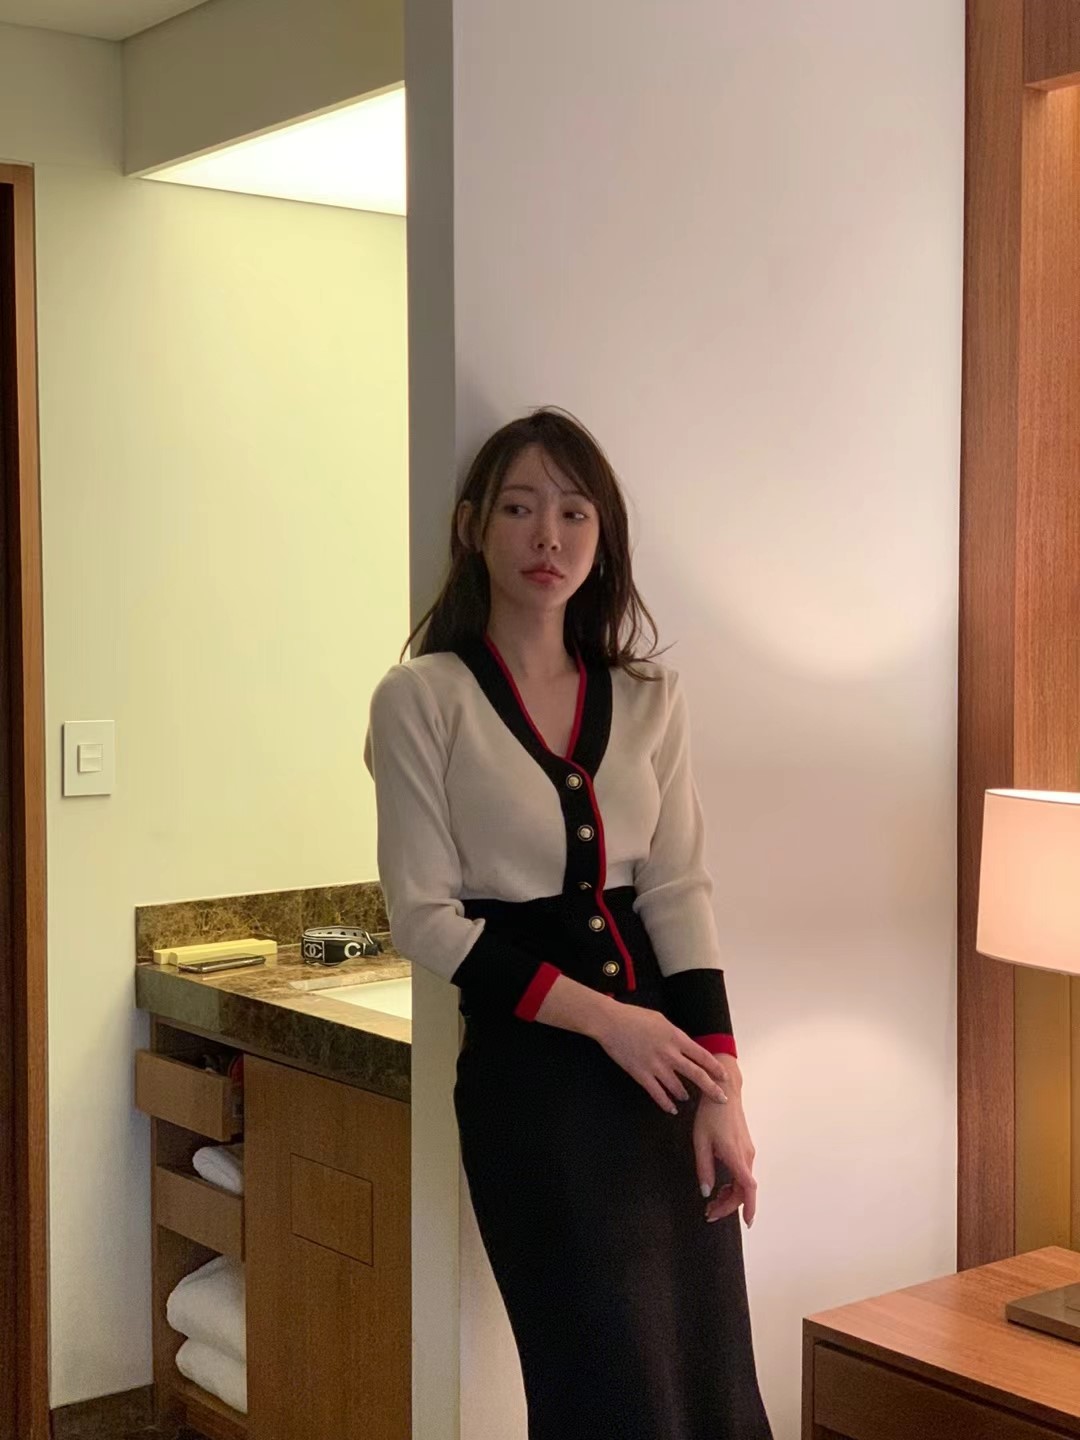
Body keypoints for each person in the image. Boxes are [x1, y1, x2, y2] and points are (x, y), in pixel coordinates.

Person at [364, 408, 772, 1440]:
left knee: (710, 1377)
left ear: (602, 536)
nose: (548, 535)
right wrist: (609, 1022)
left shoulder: (648, 695)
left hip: (667, 1076)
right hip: (533, 1088)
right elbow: (424, 920)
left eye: (574, 512)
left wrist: (721, 1090)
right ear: (472, 528)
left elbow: (677, 890)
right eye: (519, 508)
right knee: (602, 1385)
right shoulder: (422, 699)